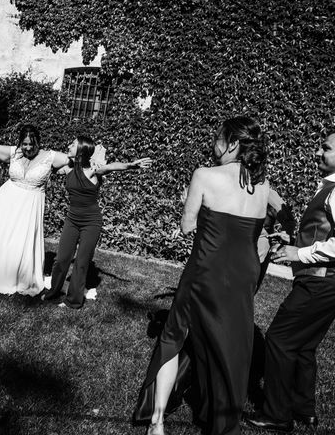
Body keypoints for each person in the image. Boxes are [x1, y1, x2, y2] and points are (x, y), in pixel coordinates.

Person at [134, 116, 269, 435]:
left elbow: (187, 225)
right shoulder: (263, 184)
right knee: (230, 346)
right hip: (244, 274)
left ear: (232, 143)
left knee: (173, 337)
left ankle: (157, 422)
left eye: (218, 139)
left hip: (208, 270)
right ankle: (222, 417)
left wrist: (188, 202)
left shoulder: (205, 175)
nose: (213, 144)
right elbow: (255, 233)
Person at [244, 132, 335, 433]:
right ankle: (303, 409)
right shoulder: (328, 188)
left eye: (326, 149)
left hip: (321, 282)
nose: (318, 153)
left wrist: (300, 252)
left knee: (280, 340)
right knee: (304, 345)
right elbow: (321, 232)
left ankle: (277, 414)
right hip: (324, 283)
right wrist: (291, 240)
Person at [0, 125, 69, 296]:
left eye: (32, 144)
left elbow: (76, 159)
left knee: (20, 239)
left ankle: (15, 275)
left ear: (38, 142)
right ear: (20, 142)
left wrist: (97, 160)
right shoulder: (14, 153)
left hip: (29, 206)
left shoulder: (51, 157)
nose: (28, 148)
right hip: (6, 202)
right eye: (25, 144)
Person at [41, 135, 152, 308]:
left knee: (82, 262)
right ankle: (53, 292)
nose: (68, 145)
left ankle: (73, 301)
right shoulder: (68, 167)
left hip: (91, 222)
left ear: (81, 151)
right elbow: (47, 163)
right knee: (61, 259)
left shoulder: (93, 170)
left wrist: (130, 165)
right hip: (72, 219)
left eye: (73, 144)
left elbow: (111, 167)